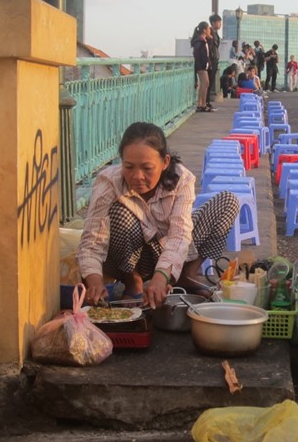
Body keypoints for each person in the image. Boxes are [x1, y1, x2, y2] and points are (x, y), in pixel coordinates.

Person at [77, 122, 239, 308]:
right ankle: (133, 282)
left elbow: (180, 234)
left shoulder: (182, 179)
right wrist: (95, 282)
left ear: (165, 162)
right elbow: (91, 241)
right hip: (129, 257)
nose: (137, 176)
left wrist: (162, 276)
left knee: (228, 201)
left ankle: (187, 274)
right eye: (129, 167)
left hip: (169, 249)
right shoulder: (108, 182)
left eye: (147, 168)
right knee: (120, 212)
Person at [191, 21, 213, 112]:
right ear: (204, 30)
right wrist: (201, 65)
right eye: (208, 29)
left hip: (204, 66)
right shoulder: (200, 40)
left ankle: (201, 104)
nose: (209, 31)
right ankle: (201, 104)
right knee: (205, 83)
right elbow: (197, 54)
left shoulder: (203, 40)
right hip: (201, 66)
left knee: (205, 84)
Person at [207, 14, 222, 109]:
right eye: (219, 22)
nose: (220, 24)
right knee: (208, 82)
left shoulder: (215, 34)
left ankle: (207, 102)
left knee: (211, 82)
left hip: (215, 59)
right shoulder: (210, 33)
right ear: (213, 23)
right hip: (211, 60)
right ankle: (205, 102)